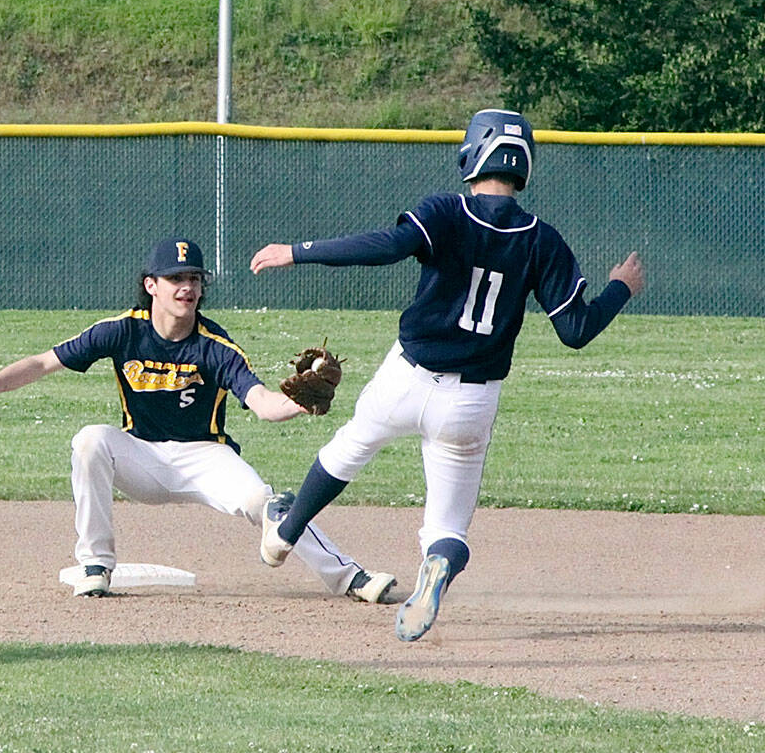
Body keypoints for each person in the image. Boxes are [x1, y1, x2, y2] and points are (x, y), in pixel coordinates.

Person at [250, 108, 645, 642]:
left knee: (349, 448)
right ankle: (434, 567)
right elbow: (575, 330)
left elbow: (386, 247)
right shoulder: (541, 240)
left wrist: (297, 252)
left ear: (472, 152)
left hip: (407, 377)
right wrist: (619, 287)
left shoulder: (446, 212)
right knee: (447, 528)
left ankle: (287, 531)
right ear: (523, 164)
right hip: (471, 402)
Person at [0, 237, 396, 602]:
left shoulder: (215, 346)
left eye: (194, 279)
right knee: (90, 440)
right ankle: (95, 564)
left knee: (267, 506)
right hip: (141, 455)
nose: (186, 287)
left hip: (205, 456)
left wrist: (300, 401)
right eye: (175, 278)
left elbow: (262, 403)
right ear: (151, 285)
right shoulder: (120, 330)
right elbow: (42, 363)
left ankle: (351, 578)